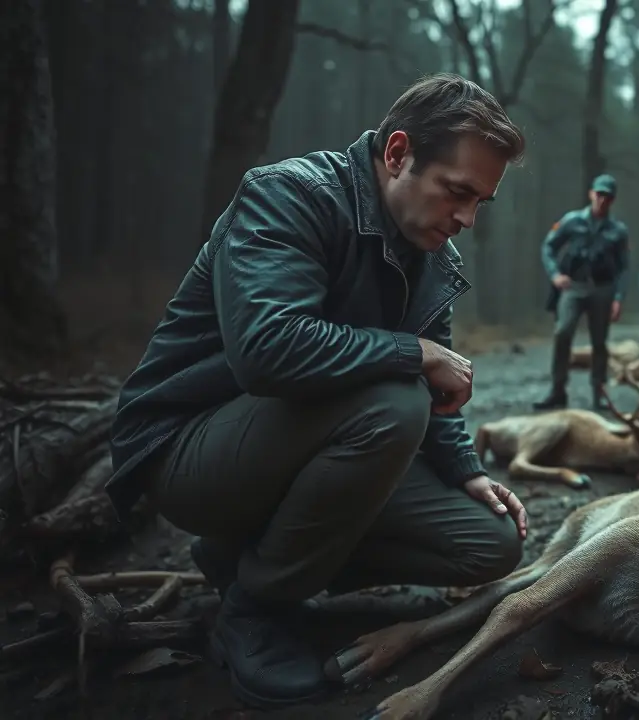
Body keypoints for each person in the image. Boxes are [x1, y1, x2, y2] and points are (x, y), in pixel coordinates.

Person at [104, 74, 531, 708]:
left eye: (480, 203)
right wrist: (414, 352)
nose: (467, 219)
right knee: (395, 402)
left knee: (491, 541)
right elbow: (267, 349)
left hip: (295, 448)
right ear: (398, 154)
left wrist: (466, 470)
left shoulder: (431, 256)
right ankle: (256, 609)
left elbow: (439, 402)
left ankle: (244, 558)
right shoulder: (289, 195)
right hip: (187, 451)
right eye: (458, 192)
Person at [535, 174, 631, 410]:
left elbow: (624, 268)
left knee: (599, 341)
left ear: (613, 200)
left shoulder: (618, 231)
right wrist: (555, 274)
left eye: (607, 196)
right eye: (599, 194)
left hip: (603, 288)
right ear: (591, 194)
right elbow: (549, 246)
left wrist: (619, 298)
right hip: (574, 286)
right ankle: (558, 389)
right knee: (563, 331)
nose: (602, 200)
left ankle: (599, 392)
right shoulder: (572, 221)